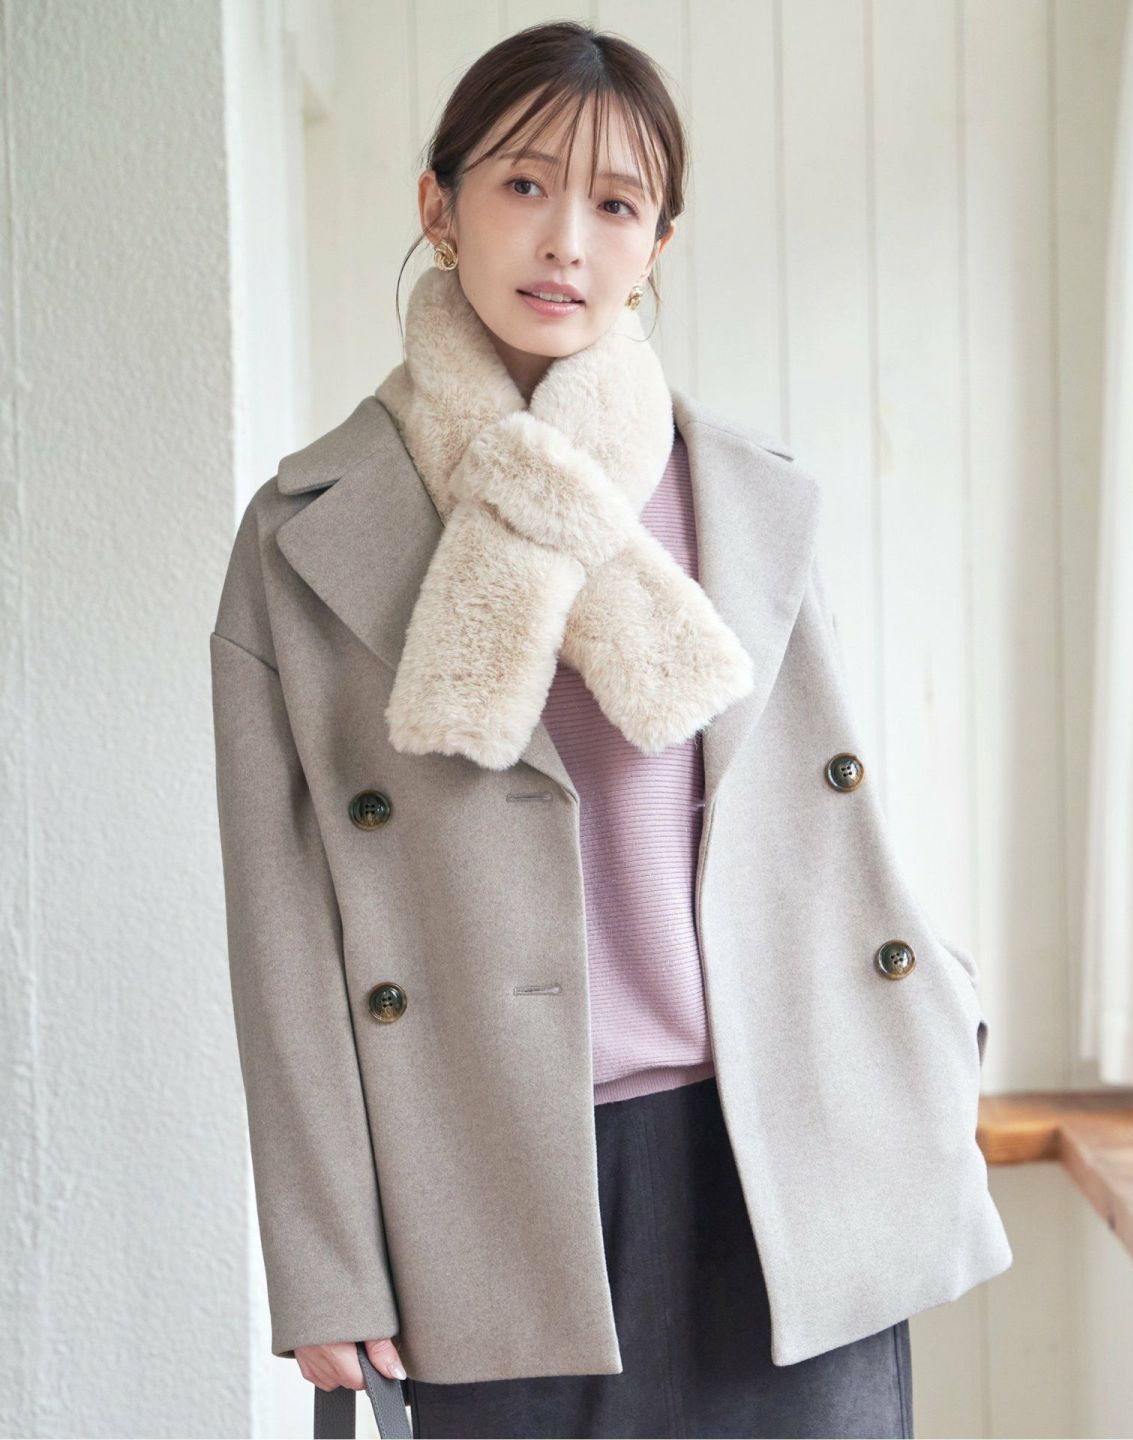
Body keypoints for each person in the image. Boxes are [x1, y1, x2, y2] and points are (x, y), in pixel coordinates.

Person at [210, 20, 1010, 1440]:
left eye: (617, 204)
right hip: (485, 1191)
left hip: (783, 1160)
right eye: (523, 185)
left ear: (658, 244)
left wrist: (944, 1022)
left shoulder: (745, 499)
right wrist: (327, 1256)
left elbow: (830, 827)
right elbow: (284, 931)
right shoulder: (304, 535)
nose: (565, 240)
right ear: (439, 206)